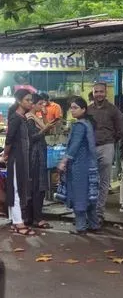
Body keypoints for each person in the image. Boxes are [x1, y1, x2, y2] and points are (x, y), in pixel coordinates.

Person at [58, 97, 100, 235]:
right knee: (89, 195)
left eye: (75, 107)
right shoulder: (87, 123)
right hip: (89, 164)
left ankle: (81, 227)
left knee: (79, 195)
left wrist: (64, 161)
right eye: (71, 107)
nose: (72, 110)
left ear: (83, 109)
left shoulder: (79, 126)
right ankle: (94, 224)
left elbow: (74, 146)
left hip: (79, 166)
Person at [88, 82, 123, 224]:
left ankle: (99, 212)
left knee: (104, 181)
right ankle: (90, 212)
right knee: (91, 181)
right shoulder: (88, 110)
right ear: (93, 93)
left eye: (101, 91)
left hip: (107, 146)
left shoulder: (113, 110)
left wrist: (111, 141)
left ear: (106, 92)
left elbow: (120, 129)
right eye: (96, 92)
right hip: (91, 148)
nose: (99, 94)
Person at [3, 89, 35, 235]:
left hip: (21, 157)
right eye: (27, 100)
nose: (30, 102)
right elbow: (9, 139)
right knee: (16, 189)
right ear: (19, 101)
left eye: (31, 100)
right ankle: (18, 222)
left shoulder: (22, 117)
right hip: (16, 158)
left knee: (17, 188)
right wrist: (6, 154)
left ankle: (14, 220)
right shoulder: (16, 118)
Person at [24, 94, 56, 228]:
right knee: (37, 187)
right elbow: (32, 137)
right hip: (35, 157)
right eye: (40, 104)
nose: (43, 106)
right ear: (33, 104)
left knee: (38, 186)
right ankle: (36, 218)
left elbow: (46, 130)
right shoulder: (29, 119)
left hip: (40, 155)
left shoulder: (36, 117)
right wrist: (45, 129)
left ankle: (32, 217)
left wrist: (44, 117)